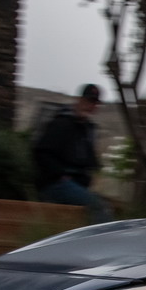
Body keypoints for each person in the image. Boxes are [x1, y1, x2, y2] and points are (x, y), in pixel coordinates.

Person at [32, 84, 114, 223]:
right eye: (89, 101)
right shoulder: (62, 123)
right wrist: (60, 176)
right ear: (79, 100)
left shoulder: (87, 129)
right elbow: (41, 153)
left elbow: (90, 161)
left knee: (103, 205)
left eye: (94, 103)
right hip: (56, 184)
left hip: (76, 184)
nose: (91, 106)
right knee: (99, 207)